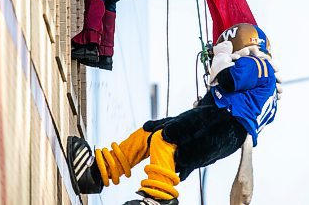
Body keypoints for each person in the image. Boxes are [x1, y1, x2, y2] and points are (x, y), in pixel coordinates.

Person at [67, 23, 280, 205]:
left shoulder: (257, 63)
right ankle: (96, 173)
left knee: (167, 137)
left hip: (226, 122)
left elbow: (228, 79)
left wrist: (222, 56)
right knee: (151, 132)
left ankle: (158, 198)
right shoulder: (266, 90)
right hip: (223, 126)